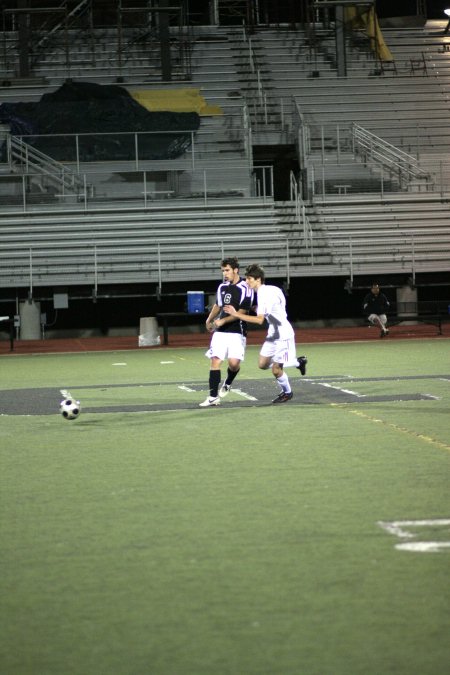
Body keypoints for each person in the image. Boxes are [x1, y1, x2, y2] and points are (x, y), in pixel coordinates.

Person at [224, 263, 307, 404]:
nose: (247, 281)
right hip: (273, 333)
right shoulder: (273, 289)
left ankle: (287, 392)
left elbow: (259, 320)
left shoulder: (263, 294)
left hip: (283, 335)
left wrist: (236, 314)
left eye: (249, 279)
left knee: (276, 370)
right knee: (262, 364)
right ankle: (297, 362)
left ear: (258, 279)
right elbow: (277, 307)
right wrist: (257, 308)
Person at [199, 256, 255, 407]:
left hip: (238, 331)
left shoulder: (246, 287)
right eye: (223, 271)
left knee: (234, 363)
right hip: (221, 332)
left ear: (236, 270)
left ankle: (228, 381)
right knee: (215, 360)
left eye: (227, 270)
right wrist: (209, 319)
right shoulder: (222, 287)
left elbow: (243, 311)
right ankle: (212, 397)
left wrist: (223, 320)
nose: (225, 273)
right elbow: (218, 305)